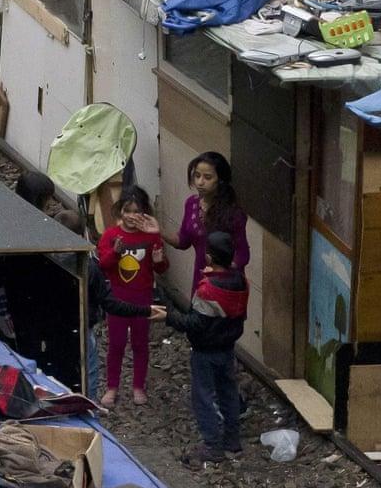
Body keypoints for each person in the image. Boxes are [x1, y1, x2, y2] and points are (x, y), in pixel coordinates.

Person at [15, 170, 153, 402]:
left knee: (56, 369)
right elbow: (108, 297)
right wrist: (146, 310)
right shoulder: (88, 266)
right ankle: (86, 405)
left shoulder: (49, 258)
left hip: (52, 326)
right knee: (88, 368)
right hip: (81, 324)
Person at [162, 231, 248, 465]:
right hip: (228, 347)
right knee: (228, 393)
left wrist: (168, 316)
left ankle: (212, 446)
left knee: (203, 397)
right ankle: (232, 440)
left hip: (205, 351)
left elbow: (195, 324)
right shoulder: (241, 281)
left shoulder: (207, 289)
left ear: (209, 258)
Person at [96, 186, 167, 408]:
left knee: (140, 343)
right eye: (127, 211)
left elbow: (163, 267)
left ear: (144, 212)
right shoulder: (110, 235)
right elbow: (103, 266)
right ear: (120, 211)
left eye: (136, 211)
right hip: (117, 298)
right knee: (115, 344)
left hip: (142, 297)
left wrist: (157, 260)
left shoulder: (151, 236)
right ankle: (112, 387)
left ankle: (138, 386)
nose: (131, 216)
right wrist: (116, 252)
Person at [162, 152, 248, 293]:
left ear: (220, 180)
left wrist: (220, 272)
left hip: (226, 287)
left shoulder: (234, 213)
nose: (200, 182)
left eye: (207, 177)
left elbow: (242, 253)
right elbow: (183, 241)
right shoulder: (191, 204)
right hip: (201, 281)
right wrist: (158, 230)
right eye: (197, 176)